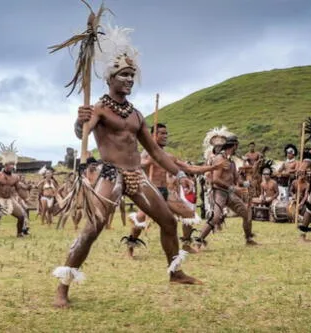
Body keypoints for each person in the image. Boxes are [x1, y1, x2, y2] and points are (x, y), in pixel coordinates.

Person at [52, 25, 201, 308]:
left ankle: (176, 272)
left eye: (132, 75)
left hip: (136, 174)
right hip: (110, 173)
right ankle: (62, 288)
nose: (130, 79)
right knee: (94, 227)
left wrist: (179, 173)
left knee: (169, 221)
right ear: (110, 78)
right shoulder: (98, 109)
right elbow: (80, 134)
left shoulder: (136, 114)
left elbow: (155, 150)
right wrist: (79, 121)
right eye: (124, 75)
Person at [123, 123, 225, 258]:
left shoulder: (168, 157)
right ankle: (131, 247)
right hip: (150, 192)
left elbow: (189, 168)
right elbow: (135, 165)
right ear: (154, 136)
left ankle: (186, 244)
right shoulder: (145, 153)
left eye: (166, 133)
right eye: (162, 133)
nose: (165, 136)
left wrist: (212, 168)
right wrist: (147, 162)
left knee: (189, 214)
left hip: (166, 192)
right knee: (140, 220)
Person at [194, 127, 257, 247]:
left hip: (228, 193)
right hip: (218, 192)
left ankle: (248, 238)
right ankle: (198, 240)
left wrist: (246, 184)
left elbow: (236, 178)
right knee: (216, 217)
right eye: (237, 146)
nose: (237, 148)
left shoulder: (232, 162)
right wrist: (232, 188)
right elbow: (216, 179)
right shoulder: (219, 159)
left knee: (246, 214)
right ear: (234, 146)